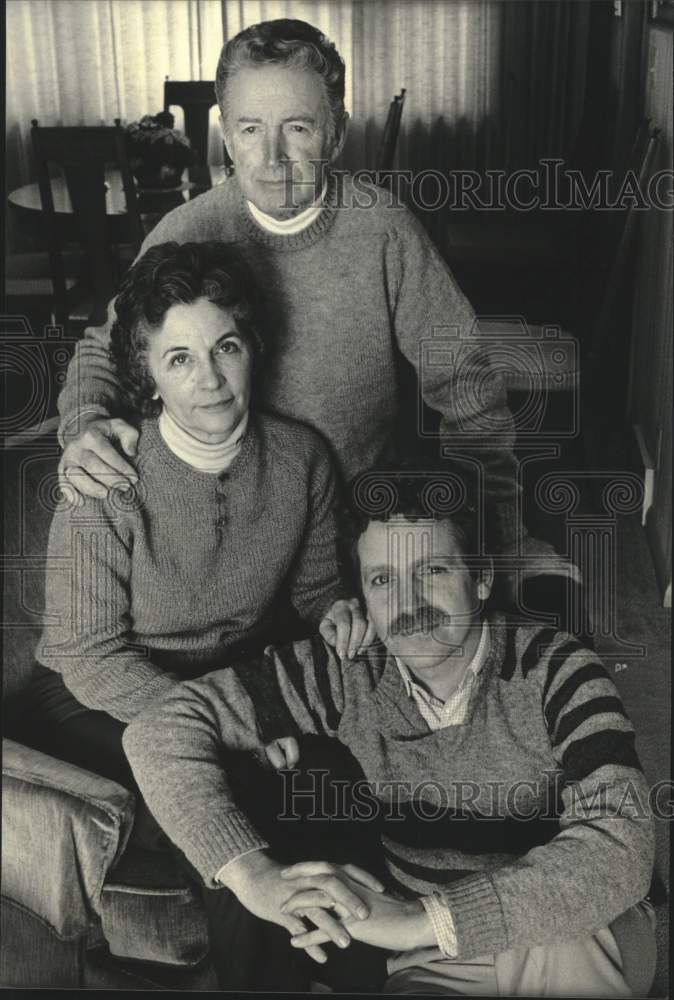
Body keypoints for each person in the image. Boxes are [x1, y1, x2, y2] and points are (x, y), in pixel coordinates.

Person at [55, 17, 577, 634]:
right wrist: (85, 421)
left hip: (354, 543)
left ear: (336, 133)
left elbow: (468, 390)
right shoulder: (185, 232)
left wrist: (503, 537)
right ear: (226, 134)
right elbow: (103, 351)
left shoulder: (383, 231)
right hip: (216, 560)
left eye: (297, 128)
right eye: (250, 129)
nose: (272, 157)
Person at [123, 468, 656, 996]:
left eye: (432, 572)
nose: (408, 604)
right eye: (383, 580)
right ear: (363, 600)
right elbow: (159, 729)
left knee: (557, 920)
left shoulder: (556, 667)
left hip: (574, 929)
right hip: (437, 958)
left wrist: (417, 919)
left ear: (482, 578)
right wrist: (251, 876)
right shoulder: (347, 671)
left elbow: (620, 848)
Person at [30, 240, 361, 785]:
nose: (209, 379)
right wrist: (224, 717)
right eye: (179, 359)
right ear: (148, 375)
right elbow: (89, 657)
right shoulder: (106, 476)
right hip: (97, 692)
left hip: (227, 677)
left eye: (225, 347)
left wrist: (337, 610)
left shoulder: (301, 458)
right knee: (216, 782)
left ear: (252, 348)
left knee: (330, 772)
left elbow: (316, 590)